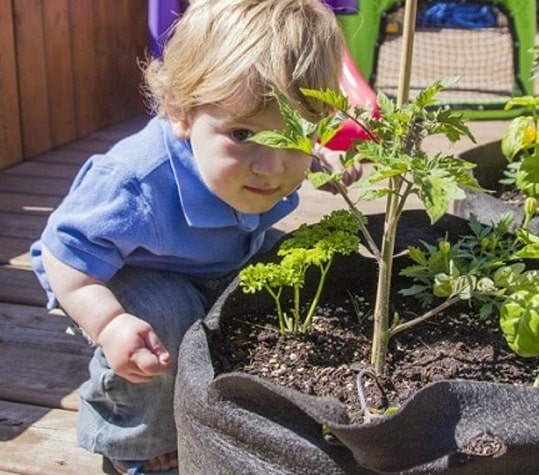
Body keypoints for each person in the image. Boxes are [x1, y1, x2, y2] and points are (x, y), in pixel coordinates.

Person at [28, 0, 358, 473]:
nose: (271, 166)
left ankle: (232, 392)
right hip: (125, 270)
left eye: (295, 138)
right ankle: (137, 440)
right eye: (243, 134)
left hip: (219, 252)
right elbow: (67, 255)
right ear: (182, 114)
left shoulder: (264, 162)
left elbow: (285, 147)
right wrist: (108, 324)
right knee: (167, 315)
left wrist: (328, 162)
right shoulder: (135, 184)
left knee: (301, 270)